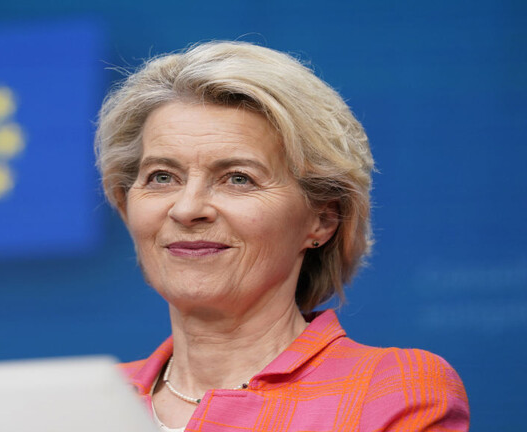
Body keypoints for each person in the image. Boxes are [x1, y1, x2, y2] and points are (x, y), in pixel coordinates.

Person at [94, 41, 469, 431]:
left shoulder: (390, 391)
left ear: (322, 220)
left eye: (238, 179)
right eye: (162, 177)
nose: (187, 209)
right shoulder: (83, 402)